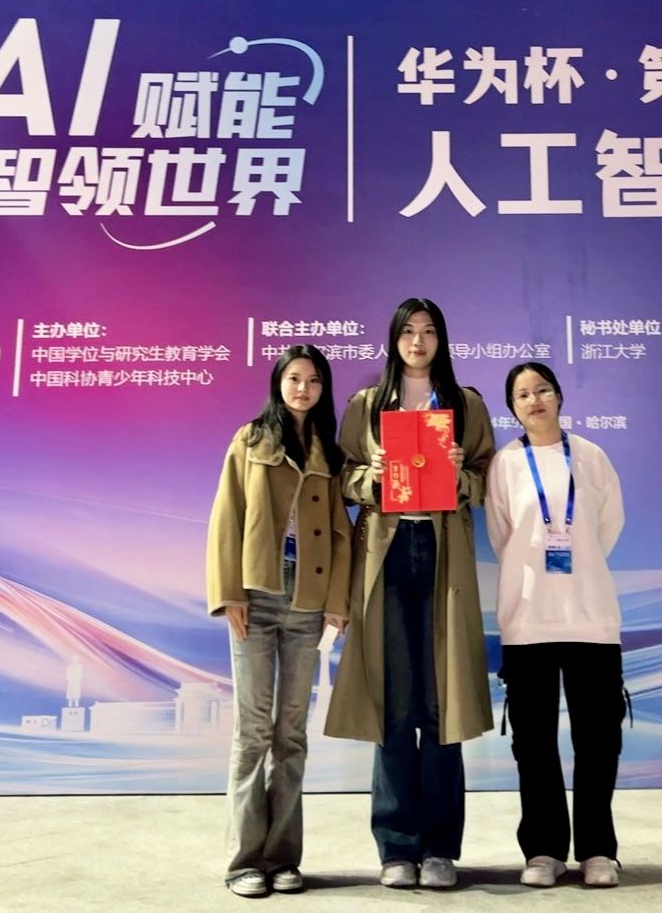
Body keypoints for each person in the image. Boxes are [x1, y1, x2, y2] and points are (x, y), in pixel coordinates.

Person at [325, 298, 495, 890]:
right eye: (408, 332)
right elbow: (343, 477)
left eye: (428, 332)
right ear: (394, 340)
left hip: (443, 556)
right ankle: (396, 847)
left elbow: (487, 478)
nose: (418, 342)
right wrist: (371, 474)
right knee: (393, 703)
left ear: (441, 340)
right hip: (388, 554)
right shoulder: (368, 404)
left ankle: (441, 848)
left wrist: (459, 472)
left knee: (442, 704)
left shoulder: (465, 404)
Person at [206, 344, 353, 898]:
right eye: (294, 378)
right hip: (257, 595)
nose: (303, 389)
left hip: (308, 601)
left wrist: (336, 602)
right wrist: (229, 594)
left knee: (291, 734)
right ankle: (244, 861)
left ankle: (284, 858)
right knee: (252, 732)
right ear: (278, 383)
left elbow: (340, 532)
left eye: (313, 381)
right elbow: (227, 516)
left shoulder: (328, 453)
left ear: (323, 389)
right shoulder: (250, 440)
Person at [485, 362, 627, 889]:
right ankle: (543, 849)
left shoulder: (591, 457)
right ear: (513, 408)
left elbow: (608, 527)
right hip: (528, 621)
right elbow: (502, 534)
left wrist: (576, 564)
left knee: (598, 740)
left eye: (542, 389)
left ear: (559, 396)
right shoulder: (505, 464)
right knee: (534, 743)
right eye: (522, 394)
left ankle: (598, 850)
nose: (534, 400)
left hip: (591, 617)